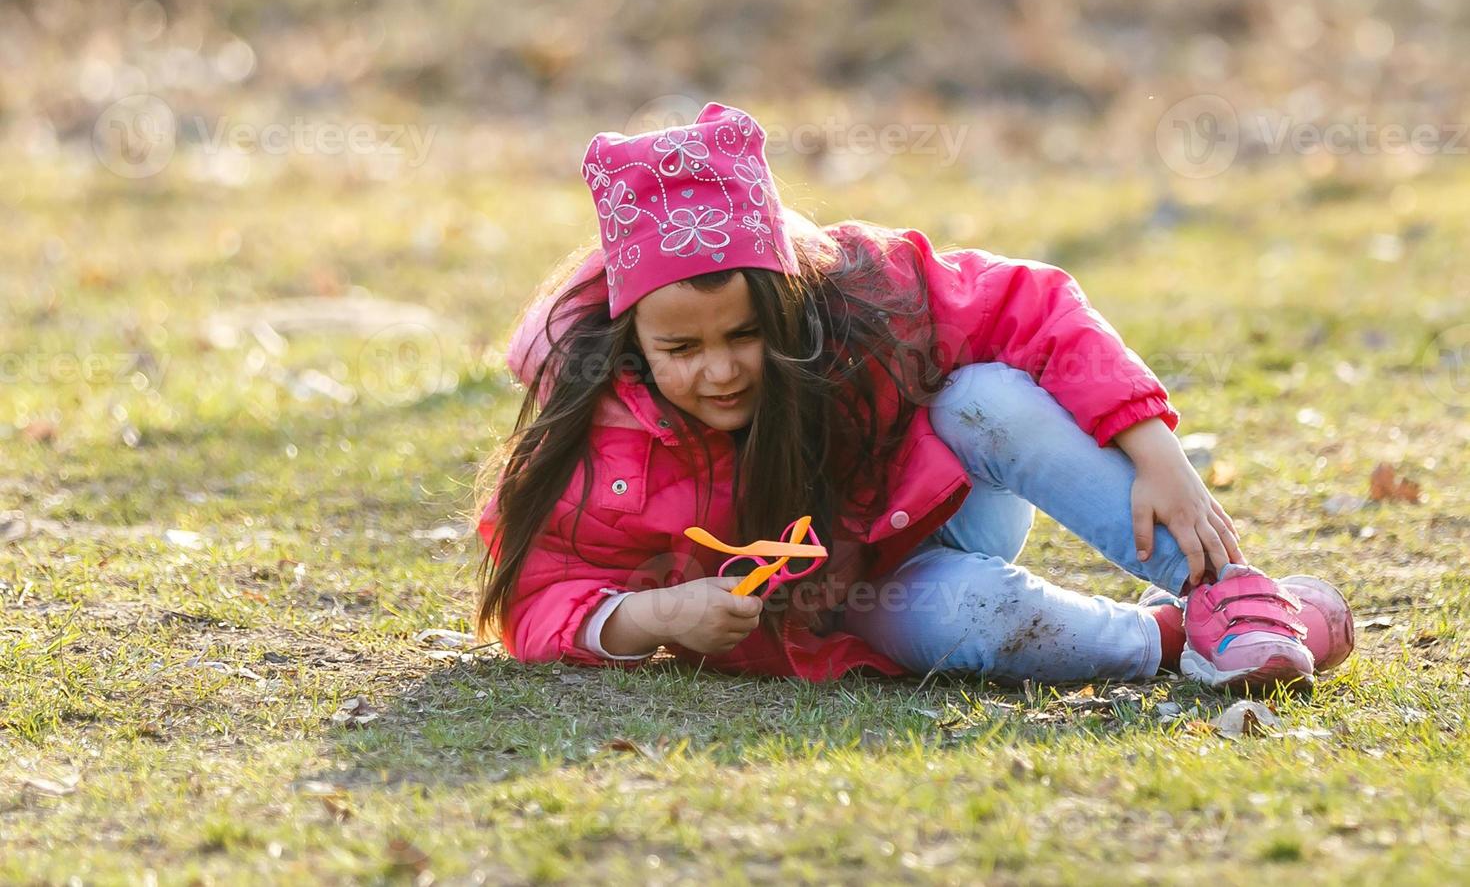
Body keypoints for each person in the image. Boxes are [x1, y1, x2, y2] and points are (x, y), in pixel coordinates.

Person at [472, 101, 1354, 689]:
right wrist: (649, 616)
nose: (722, 369)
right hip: (851, 599)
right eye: (680, 348)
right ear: (634, 343)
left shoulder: (859, 297)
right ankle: (1167, 641)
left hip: (932, 501)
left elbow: (1032, 302)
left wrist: (1153, 447)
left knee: (986, 397)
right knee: (978, 619)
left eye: (747, 334)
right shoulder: (596, 435)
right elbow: (534, 597)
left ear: (787, 304)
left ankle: (1228, 595)